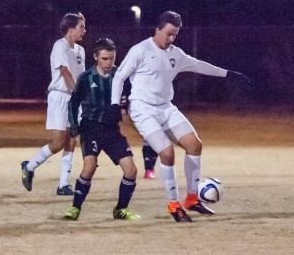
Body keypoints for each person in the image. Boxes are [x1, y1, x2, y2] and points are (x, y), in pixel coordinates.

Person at [110, 11, 250, 223]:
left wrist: (229, 74)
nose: (171, 39)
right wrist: (115, 104)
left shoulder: (177, 54)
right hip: (142, 109)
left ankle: (192, 199)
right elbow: (119, 75)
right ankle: (174, 204)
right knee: (167, 154)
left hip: (166, 108)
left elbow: (200, 65)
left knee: (195, 145)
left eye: (175, 34)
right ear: (157, 30)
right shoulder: (140, 50)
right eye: (168, 34)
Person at [64, 38, 140, 221]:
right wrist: (73, 123)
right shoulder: (87, 78)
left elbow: (131, 96)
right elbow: (73, 102)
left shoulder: (120, 76)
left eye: (112, 58)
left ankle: (121, 209)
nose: (109, 63)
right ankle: (75, 208)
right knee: (89, 167)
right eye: (105, 58)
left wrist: (126, 102)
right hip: (91, 127)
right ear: (96, 57)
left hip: (112, 131)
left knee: (131, 170)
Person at [21, 12, 86, 195]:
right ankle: (30, 166)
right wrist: (78, 92)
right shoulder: (60, 46)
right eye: (81, 26)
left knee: (72, 141)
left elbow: (80, 77)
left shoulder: (80, 51)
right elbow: (65, 72)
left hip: (73, 98)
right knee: (58, 143)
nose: (84, 30)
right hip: (60, 97)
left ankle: (63, 185)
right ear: (71, 28)